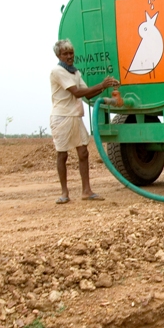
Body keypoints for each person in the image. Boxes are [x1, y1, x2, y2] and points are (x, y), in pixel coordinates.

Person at [50, 39, 119, 204]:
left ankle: (86, 190)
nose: (69, 56)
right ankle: (64, 193)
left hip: (75, 116)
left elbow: (87, 94)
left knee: (83, 153)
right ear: (59, 55)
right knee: (62, 154)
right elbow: (77, 92)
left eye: (71, 53)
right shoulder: (57, 71)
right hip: (62, 117)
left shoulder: (75, 73)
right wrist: (101, 85)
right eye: (65, 53)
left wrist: (104, 87)